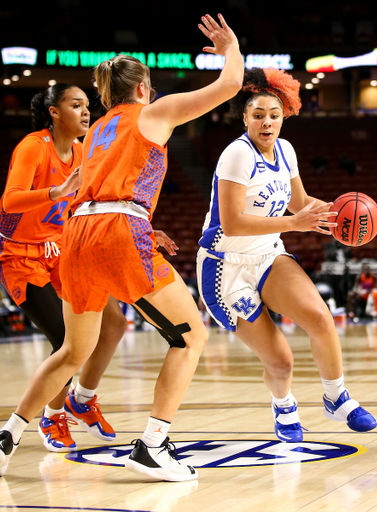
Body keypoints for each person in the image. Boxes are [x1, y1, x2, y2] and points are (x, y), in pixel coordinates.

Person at [0, 13, 243, 482]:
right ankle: (153, 444)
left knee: (72, 350)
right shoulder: (153, 113)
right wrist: (230, 46)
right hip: (116, 233)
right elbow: (231, 83)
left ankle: (8, 433)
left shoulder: (93, 136)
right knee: (191, 337)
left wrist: (145, 232)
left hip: (76, 236)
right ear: (143, 88)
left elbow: (96, 196)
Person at [196, 67, 377, 444]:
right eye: (258, 114)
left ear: (284, 118)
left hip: (267, 254)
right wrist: (295, 223)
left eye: (274, 115)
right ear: (245, 118)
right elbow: (231, 224)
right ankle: (284, 406)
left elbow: (299, 203)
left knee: (320, 317)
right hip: (225, 267)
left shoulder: (286, 150)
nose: (266, 122)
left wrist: (334, 213)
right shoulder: (236, 155)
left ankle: (336, 398)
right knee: (281, 361)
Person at [0, 84, 129, 454]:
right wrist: (55, 192)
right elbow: (10, 200)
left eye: (87, 106)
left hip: (66, 250)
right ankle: (51, 416)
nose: (86, 112)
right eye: (76, 105)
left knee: (115, 323)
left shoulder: (82, 151)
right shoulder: (33, 146)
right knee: (67, 341)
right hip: (22, 255)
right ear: (54, 112)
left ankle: (83, 398)